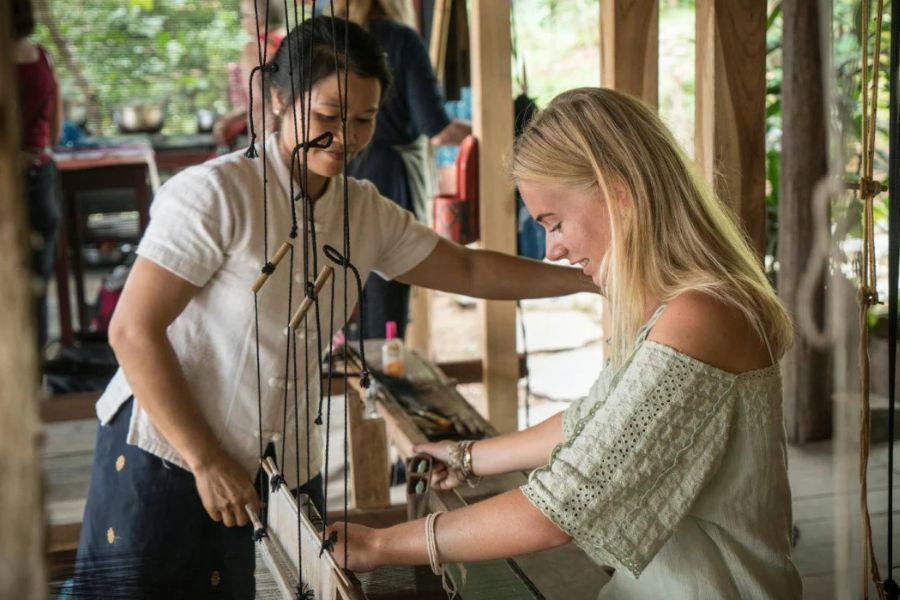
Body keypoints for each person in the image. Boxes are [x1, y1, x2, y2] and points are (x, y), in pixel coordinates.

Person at [71, 17, 592, 598]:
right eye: (327, 117)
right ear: (276, 99)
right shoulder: (215, 194)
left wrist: (592, 279)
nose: (346, 136)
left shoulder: (362, 209)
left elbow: (467, 269)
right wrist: (205, 458)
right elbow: (133, 332)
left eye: (364, 119)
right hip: (170, 449)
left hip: (276, 458)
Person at [329, 87, 803, 599]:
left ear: (617, 193)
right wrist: (468, 457)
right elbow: (592, 420)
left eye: (554, 224)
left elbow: (561, 506)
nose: (553, 249)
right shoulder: (680, 307)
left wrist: (382, 547)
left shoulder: (701, 316)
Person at [334, 0, 471, 340]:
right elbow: (436, 128)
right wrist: (488, 128)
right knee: (386, 298)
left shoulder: (331, 41)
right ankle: (381, 381)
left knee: (345, 292)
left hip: (338, 174)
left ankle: (361, 380)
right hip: (387, 179)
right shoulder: (400, 40)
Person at [13, 0, 63, 351]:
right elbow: (54, 135)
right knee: (36, 291)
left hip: (9, 189)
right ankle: (36, 383)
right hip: (40, 179)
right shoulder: (42, 57)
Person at [212, 0, 287, 148]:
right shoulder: (293, 41)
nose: (242, 21)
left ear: (258, 18)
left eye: (245, 15)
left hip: (271, 134)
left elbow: (258, 102)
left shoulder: (254, 49)